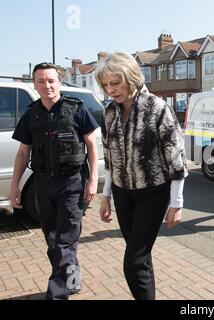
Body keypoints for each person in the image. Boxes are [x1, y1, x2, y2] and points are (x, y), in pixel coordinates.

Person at [95, 52, 188, 300]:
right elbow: (109, 155)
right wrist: (105, 196)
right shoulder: (108, 112)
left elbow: (176, 158)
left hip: (153, 193)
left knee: (133, 262)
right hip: (122, 193)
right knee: (141, 258)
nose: (110, 90)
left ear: (131, 77)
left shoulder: (157, 108)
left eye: (115, 83)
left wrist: (176, 203)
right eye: (106, 85)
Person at [10, 63, 99, 300]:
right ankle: (72, 278)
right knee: (52, 239)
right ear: (35, 84)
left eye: (51, 80)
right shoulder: (31, 114)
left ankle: (58, 294)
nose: (46, 85)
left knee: (65, 241)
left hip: (71, 184)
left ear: (59, 82)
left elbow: (92, 146)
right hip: (42, 184)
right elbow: (22, 152)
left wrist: (93, 180)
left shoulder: (77, 110)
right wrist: (14, 185)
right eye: (41, 81)